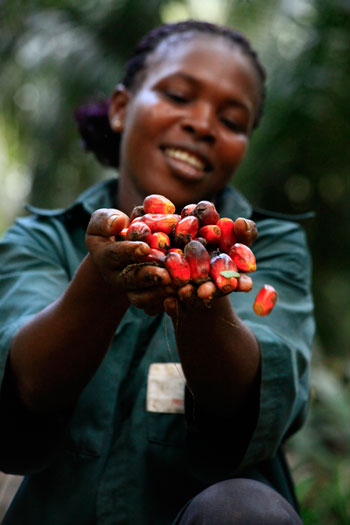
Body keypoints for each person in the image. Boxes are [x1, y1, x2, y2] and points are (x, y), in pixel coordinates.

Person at [0, 20, 314, 524]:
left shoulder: (268, 244)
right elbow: (27, 385)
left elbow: (258, 399)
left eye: (232, 121)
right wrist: (100, 287)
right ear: (122, 108)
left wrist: (202, 305)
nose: (203, 124)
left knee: (244, 509)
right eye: (178, 95)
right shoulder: (41, 239)